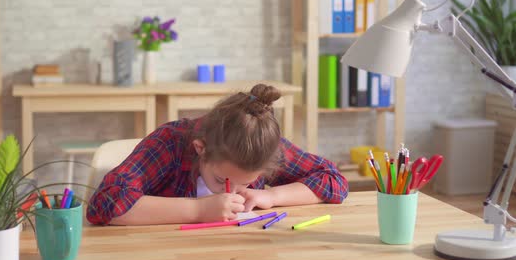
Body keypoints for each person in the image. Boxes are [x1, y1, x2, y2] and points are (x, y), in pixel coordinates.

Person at [87, 84, 348, 225]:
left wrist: (271, 195)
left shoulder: (264, 145)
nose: (232, 192)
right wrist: (198, 210)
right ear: (201, 149)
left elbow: (333, 180)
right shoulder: (170, 142)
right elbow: (105, 204)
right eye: (221, 179)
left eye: (244, 183)